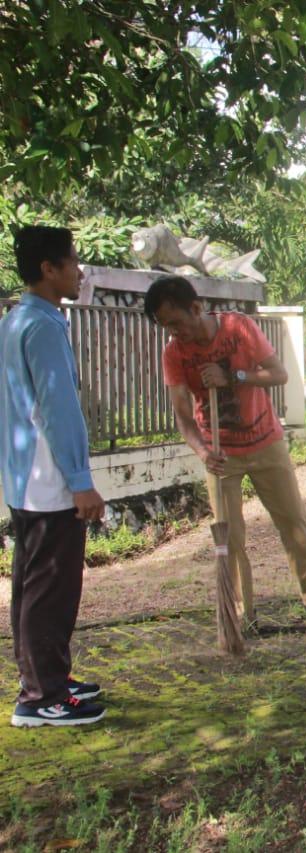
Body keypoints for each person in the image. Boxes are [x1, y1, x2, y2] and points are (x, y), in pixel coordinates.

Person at [143, 276, 306, 625]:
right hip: (220, 455)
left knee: (293, 521)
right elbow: (183, 417)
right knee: (230, 538)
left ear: (196, 308)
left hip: (266, 442)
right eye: (166, 327)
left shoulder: (238, 327)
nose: (174, 333)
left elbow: (279, 374)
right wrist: (203, 452)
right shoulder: (174, 354)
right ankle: (241, 612)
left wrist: (234, 377)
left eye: (176, 322)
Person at [3, 226, 107, 727]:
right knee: (52, 589)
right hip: (49, 480)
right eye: (73, 261)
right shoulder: (42, 328)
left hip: (24, 476)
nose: (79, 271)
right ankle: (42, 697)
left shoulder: (18, 320)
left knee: (31, 584)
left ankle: (46, 680)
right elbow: (57, 409)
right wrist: (80, 480)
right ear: (49, 269)